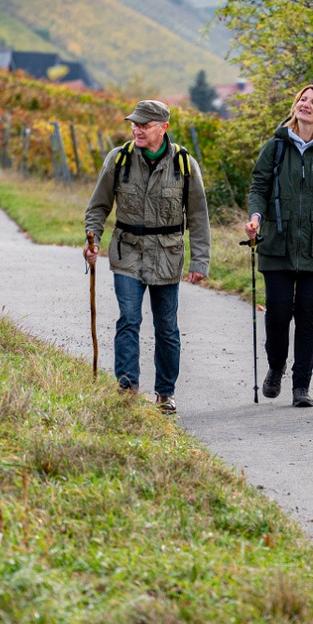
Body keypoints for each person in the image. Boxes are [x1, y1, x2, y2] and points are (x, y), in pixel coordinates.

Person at [83, 100, 211, 415]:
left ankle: (165, 393)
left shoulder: (184, 164)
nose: (137, 130)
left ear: (163, 128)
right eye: (135, 124)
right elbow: (98, 206)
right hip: (127, 253)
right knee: (129, 319)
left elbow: (198, 217)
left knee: (166, 327)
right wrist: (92, 238)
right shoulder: (119, 159)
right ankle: (127, 390)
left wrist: (200, 262)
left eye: (144, 125)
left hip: (167, 256)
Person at [245, 84, 313, 407]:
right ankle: (276, 366)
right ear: (295, 106)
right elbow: (259, 187)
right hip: (276, 243)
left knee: (308, 315)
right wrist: (255, 218)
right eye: (302, 100)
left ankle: (301, 385)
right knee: (278, 313)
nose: (306, 105)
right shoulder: (276, 146)